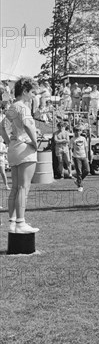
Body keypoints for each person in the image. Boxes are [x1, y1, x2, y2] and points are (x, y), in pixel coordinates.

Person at [0, 77, 40, 233]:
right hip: (25, 150)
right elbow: (27, 125)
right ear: (24, 92)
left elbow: (2, 127)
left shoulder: (11, 107)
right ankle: (21, 222)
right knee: (24, 187)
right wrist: (35, 143)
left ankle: (13, 222)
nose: (32, 96)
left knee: (15, 188)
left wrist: (9, 141)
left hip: (14, 149)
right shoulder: (23, 107)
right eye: (32, 93)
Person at [70, 127, 90, 191]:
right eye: (76, 131)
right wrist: (71, 157)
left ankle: (78, 180)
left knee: (87, 170)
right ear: (74, 132)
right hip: (76, 157)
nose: (77, 132)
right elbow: (70, 149)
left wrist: (87, 157)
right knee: (79, 171)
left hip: (83, 156)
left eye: (79, 131)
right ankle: (80, 186)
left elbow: (86, 148)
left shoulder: (83, 139)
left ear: (80, 132)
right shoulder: (73, 139)